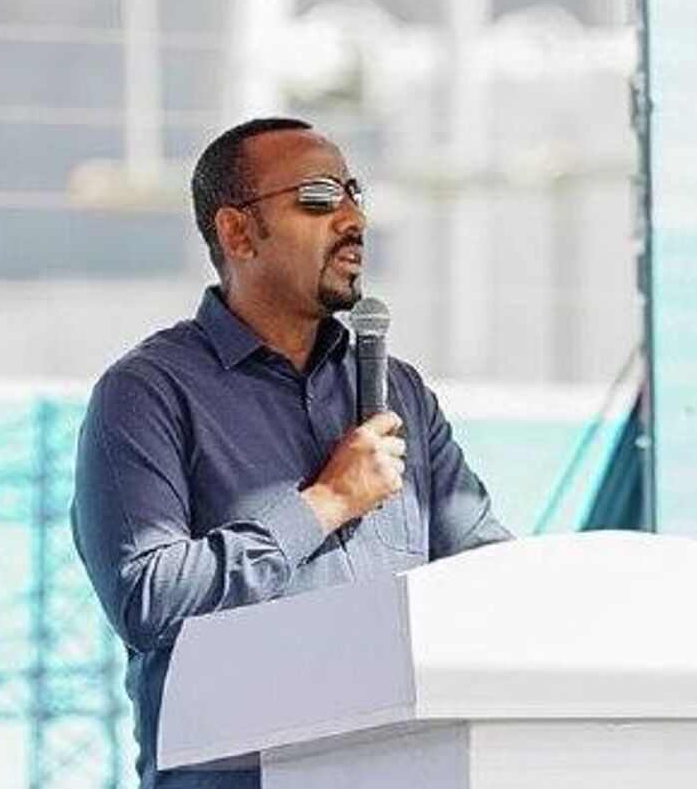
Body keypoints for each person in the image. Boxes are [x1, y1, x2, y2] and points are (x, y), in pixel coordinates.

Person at [71, 117, 512, 787]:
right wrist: (326, 503)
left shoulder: (401, 393)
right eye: (318, 197)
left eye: (354, 194)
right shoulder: (147, 393)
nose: (353, 218)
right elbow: (148, 597)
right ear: (237, 233)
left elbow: (485, 574)